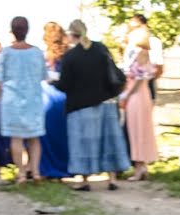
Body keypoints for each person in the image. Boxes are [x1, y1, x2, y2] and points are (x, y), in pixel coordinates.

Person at [55, 19, 130, 191]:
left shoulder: (70, 57)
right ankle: (112, 179)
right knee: (109, 141)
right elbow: (113, 73)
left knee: (83, 143)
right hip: (107, 103)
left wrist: (53, 83)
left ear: (71, 34)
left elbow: (65, 85)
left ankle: (85, 180)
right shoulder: (101, 48)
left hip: (81, 106)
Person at [0, 17, 47, 184]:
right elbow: (43, 75)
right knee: (35, 137)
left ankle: (22, 173)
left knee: (16, 138)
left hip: (12, 100)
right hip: (33, 99)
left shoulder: (6, 53)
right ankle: (36, 171)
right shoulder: (37, 52)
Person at [120, 27, 158, 181]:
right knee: (141, 129)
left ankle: (139, 167)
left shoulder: (138, 53)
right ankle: (141, 166)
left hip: (136, 95)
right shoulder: (146, 54)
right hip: (143, 95)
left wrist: (126, 94)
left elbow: (139, 77)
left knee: (136, 131)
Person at [39, 22, 70, 179]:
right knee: (63, 134)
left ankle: (48, 168)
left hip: (48, 95)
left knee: (48, 135)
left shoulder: (46, 54)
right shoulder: (69, 53)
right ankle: (65, 166)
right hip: (65, 96)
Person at [125, 14, 164, 101]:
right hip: (129, 83)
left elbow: (159, 67)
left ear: (144, 26)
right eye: (131, 27)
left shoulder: (154, 42)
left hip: (145, 84)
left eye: (135, 27)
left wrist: (146, 81)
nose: (132, 30)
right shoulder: (130, 43)